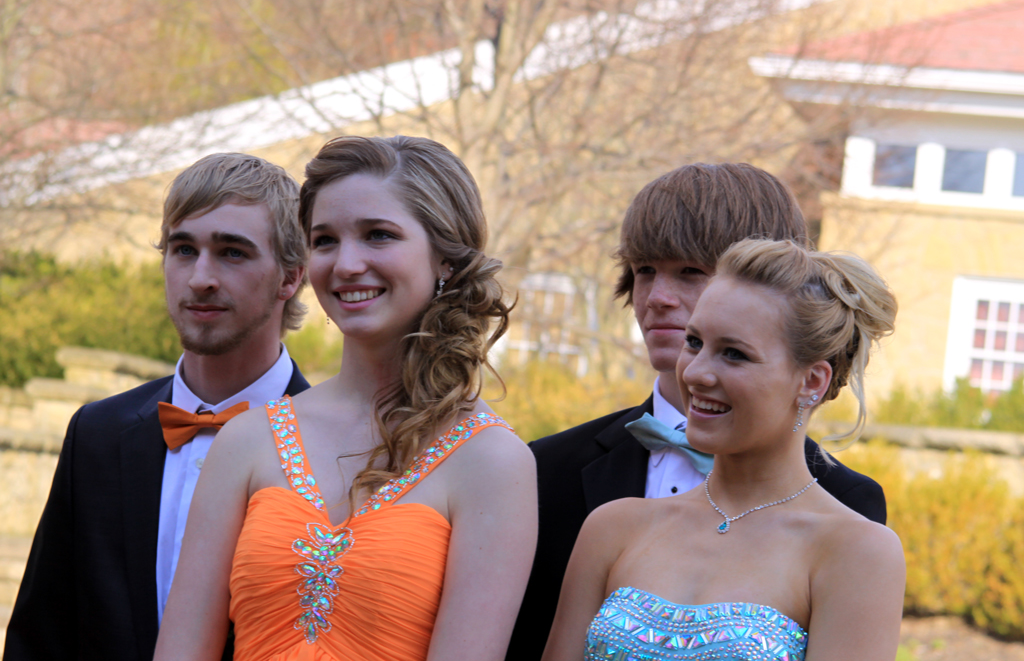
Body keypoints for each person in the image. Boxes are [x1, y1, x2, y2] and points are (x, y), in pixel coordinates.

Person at [153, 135, 538, 661]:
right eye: (326, 240)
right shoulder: (247, 438)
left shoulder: (494, 463)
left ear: (445, 257)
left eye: (378, 235)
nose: (347, 264)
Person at [507, 163, 887, 661]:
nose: (658, 299)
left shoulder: (852, 520)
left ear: (812, 379)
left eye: (690, 271)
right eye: (644, 270)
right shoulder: (553, 478)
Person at [5, 153, 311, 661]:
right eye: (183, 249)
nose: (200, 278)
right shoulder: (98, 433)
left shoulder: (343, 444)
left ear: (290, 277)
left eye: (232, 253)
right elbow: (40, 639)